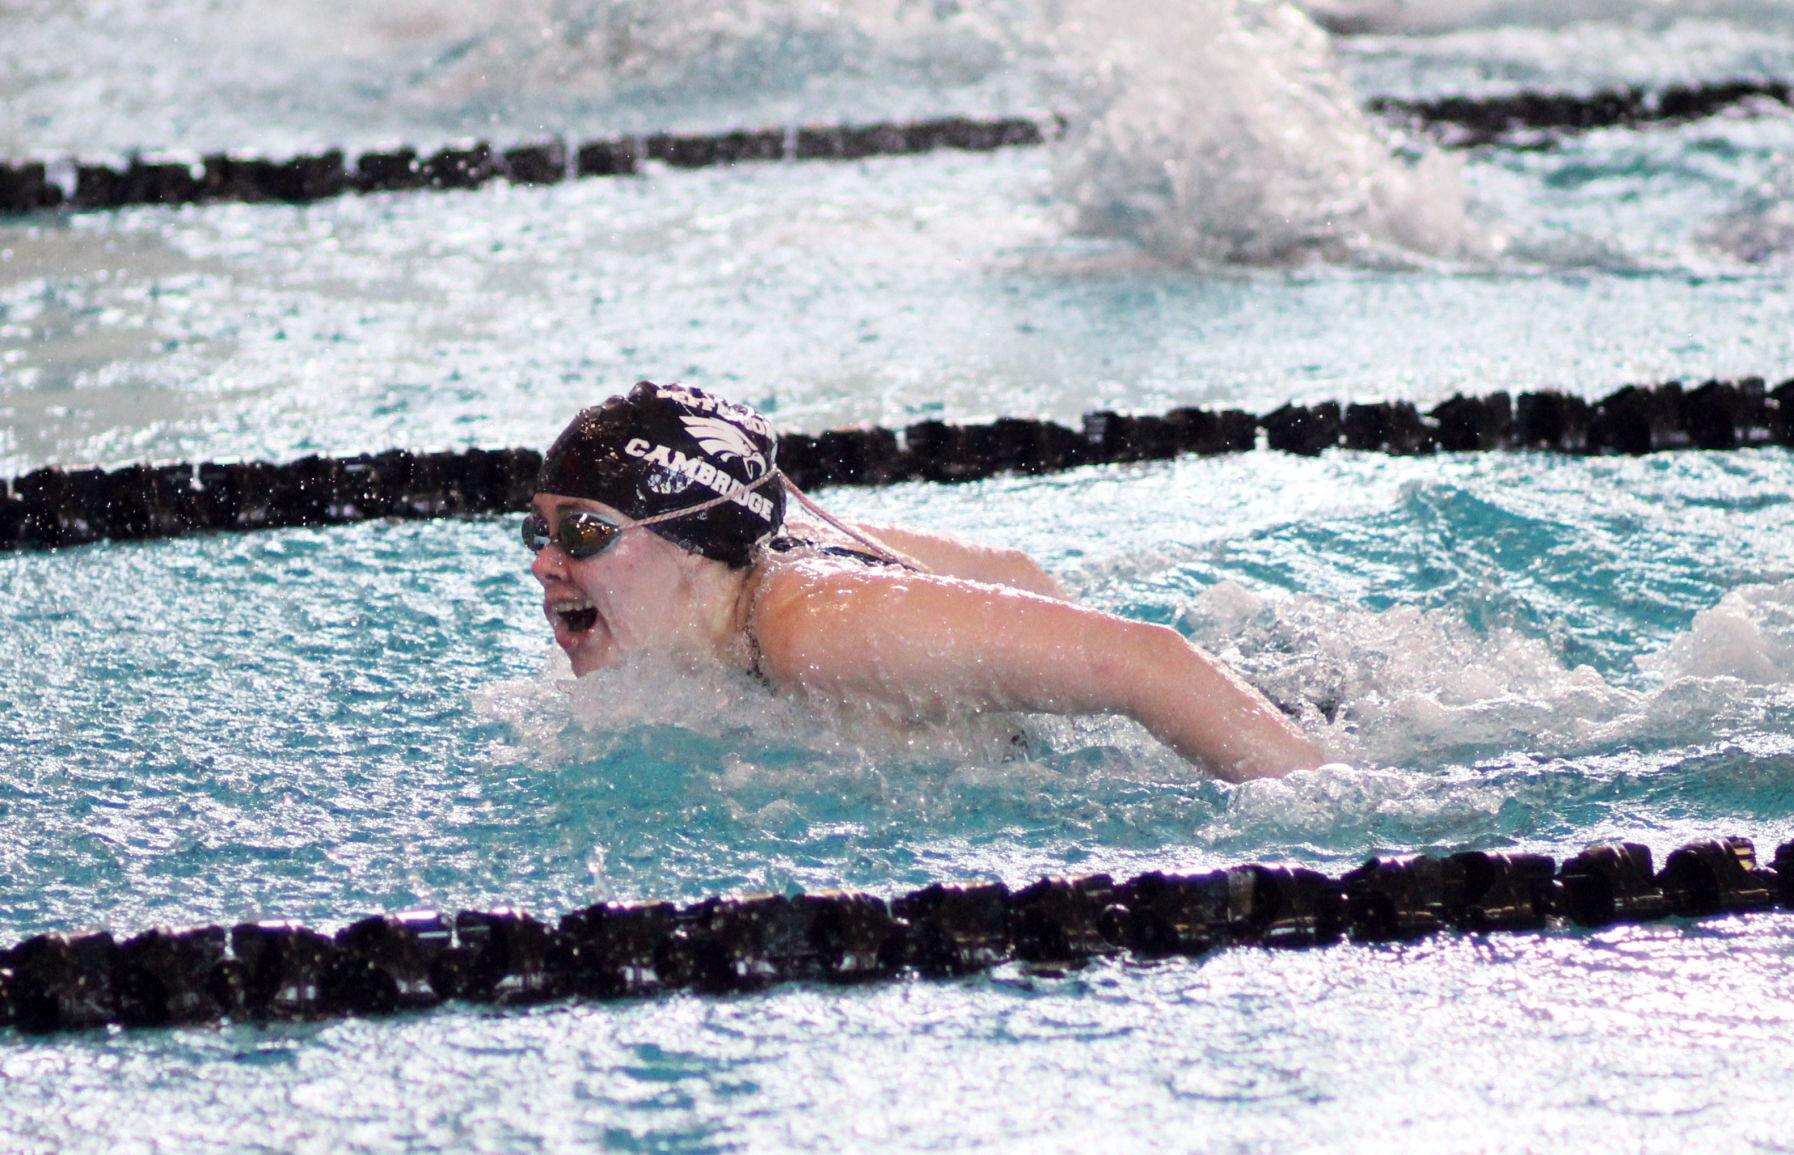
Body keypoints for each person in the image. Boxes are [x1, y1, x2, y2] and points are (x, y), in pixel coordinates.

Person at [524, 381, 1324, 781]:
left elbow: (1150, 660)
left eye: (583, 532)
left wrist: (1327, 799)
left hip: (1287, 719)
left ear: (692, 542)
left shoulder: (813, 631)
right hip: (1259, 684)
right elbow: (1013, 575)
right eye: (540, 531)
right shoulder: (766, 564)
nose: (544, 563)